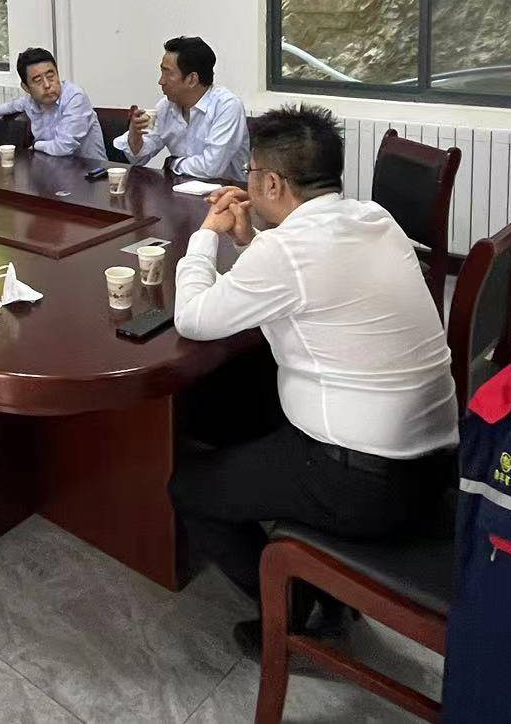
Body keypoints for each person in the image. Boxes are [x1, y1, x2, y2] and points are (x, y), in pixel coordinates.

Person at [167, 105, 458, 661]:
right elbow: (303, 282)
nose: (247, 181)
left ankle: (290, 605)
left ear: (272, 183)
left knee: (190, 488)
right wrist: (251, 240)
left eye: (251, 172)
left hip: (366, 483)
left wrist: (206, 236)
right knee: (241, 394)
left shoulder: (287, 251)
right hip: (435, 461)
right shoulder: (374, 217)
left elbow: (194, 318)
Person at [116, 35, 250, 182]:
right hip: (181, 189)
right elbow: (138, 160)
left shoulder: (227, 106)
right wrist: (135, 136)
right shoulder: (165, 107)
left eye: (167, 73)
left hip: (227, 191)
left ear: (192, 79)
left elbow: (211, 168)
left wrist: (173, 163)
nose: (161, 81)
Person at [0, 47, 107, 163]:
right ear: (26, 87)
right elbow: (14, 105)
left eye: (51, 76)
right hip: (52, 170)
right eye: (38, 80)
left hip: (91, 174)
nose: (47, 85)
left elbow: (64, 147)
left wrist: (35, 145)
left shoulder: (75, 97)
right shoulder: (30, 101)